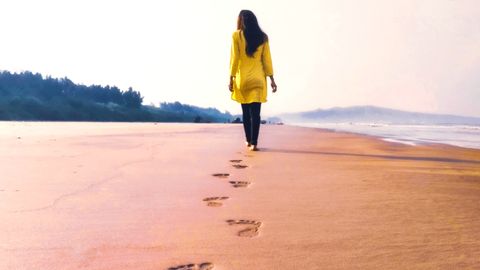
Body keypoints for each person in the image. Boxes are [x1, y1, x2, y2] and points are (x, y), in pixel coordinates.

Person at [229, 10, 277, 151]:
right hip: (258, 80)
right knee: (255, 114)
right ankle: (254, 143)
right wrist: (272, 79)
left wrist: (231, 77)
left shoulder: (236, 35)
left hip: (243, 80)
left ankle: (248, 141)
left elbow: (235, 59)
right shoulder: (263, 37)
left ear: (241, 21)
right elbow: (266, 60)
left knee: (246, 113)